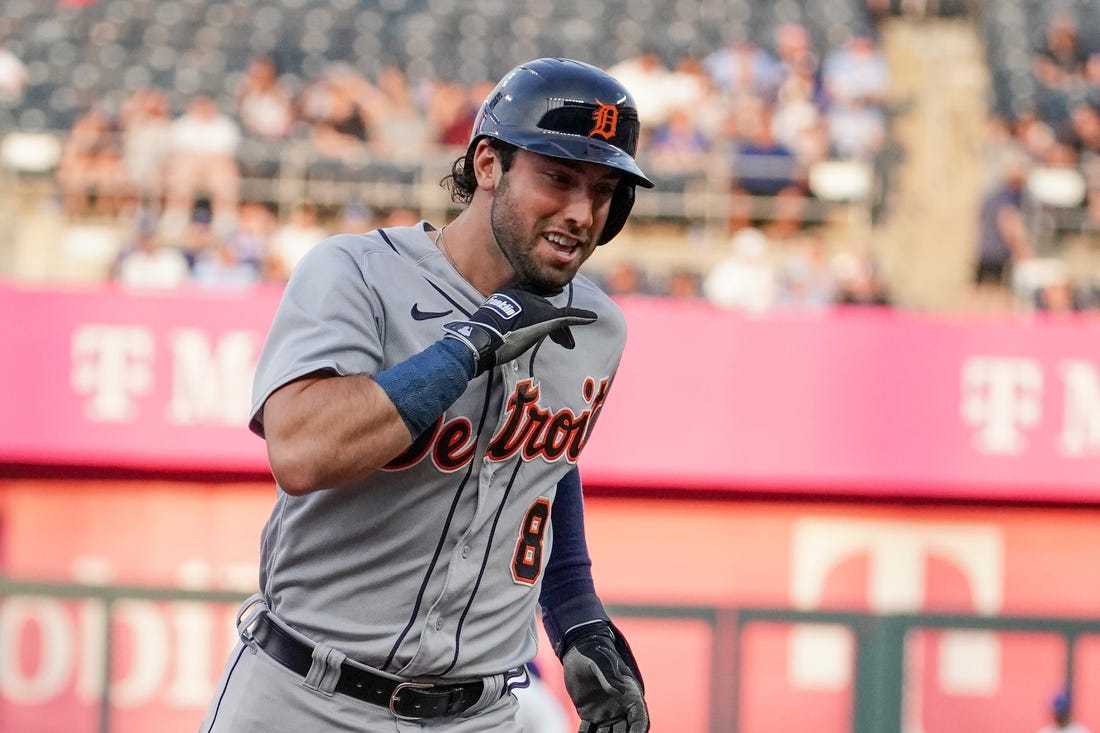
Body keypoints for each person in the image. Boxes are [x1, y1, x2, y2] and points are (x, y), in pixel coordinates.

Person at [201, 57, 652, 733]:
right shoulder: (357, 273)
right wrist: (466, 346)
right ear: (489, 164)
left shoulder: (599, 327)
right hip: (304, 694)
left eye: (605, 189)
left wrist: (578, 614)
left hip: (480, 712)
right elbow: (301, 449)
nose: (582, 212)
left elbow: (538, 470)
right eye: (558, 177)